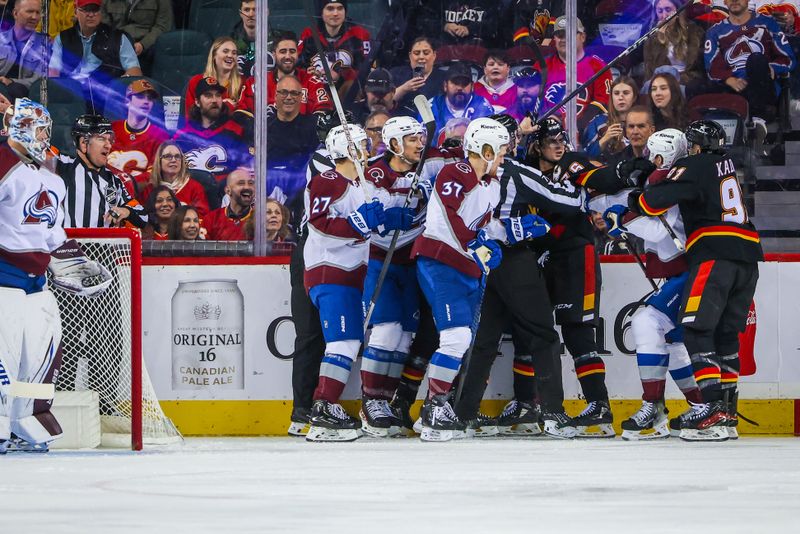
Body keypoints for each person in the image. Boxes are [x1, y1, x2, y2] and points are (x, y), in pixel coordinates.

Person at [452, 114, 589, 439]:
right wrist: (580, 180)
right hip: (512, 262)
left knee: (483, 340)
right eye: (502, 146)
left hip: (478, 262)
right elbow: (567, 201)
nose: (505, 151)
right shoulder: (513, 172)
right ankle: (553, 413)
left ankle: (463, 414)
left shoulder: (454, 172)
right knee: (543, 335)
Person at [633, 120, 763, 441]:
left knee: (695, 329)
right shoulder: (728, 165)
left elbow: (650, 203)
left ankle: (712, 408)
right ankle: (728, 412)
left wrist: (644, 183)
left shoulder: (694, 163)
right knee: (726, 335)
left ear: (693, 146)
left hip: (714, 252)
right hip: (748, 256)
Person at [0, 98, 111, 453]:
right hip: (4, 279)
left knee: (42, 355)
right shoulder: (3, 164)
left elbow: (53, 236)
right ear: (23, 127)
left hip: (37, 283)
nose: (46, 136)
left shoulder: (51, 180)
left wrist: (74, 262)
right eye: (41, 128)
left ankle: (26, 424)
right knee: (5, 357)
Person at [591, 129, 704, 440]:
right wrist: (607, 206)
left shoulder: (674, 183)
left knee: (645, 322)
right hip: (683, 271)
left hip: (689, 271)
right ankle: (700, 406)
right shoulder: (678, 178)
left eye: (653, 156)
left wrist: (622, 219)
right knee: (672, 341)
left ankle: (652, 407)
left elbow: (664, 232)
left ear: (660, 156)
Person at [409, 117, 510, 442]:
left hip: (466, 268)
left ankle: (432, 410)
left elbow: (486, 224)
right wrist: (476, 244)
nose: (507, 154)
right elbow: (451, 217)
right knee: (455, 338)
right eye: (503, 148)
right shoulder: (458, 171)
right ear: (486, 149)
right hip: (441, 261)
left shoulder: (492, 183)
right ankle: (435, 406)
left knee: (462, 338)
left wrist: (509, 234)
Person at [525, 117, 617, 438]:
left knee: (578, 332)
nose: (559, 144)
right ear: (536, 144)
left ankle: (599, 405)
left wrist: (623, 172)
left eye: (561, 139)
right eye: (552, 141)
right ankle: (528, 402)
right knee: (533, 330)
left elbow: (601, 178)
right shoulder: (528, 169)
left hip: (577, 257)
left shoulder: (572, 163)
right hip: (543, 260)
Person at [303, 123, 390, 442]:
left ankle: (326, 406)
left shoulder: (357, 185)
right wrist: (359, 221)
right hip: (330, 271)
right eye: (363, 145)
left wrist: (388, 220)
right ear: (346, 149)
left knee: (350, 342)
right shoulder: (329, 179)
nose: (368, 149)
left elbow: (365, 228)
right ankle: (323, 409)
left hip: (350, 275)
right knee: (343, 343)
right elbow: (320, 224)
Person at [358, 116, 424, 437]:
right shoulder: (374, 173)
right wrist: (387, 219)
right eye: (412, 139)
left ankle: (386, 398)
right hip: (378, 261)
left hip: (410, 263)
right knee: (385, 331)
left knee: (404, 337)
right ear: (395, 144)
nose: (419, 144)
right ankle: (370, 402)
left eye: (420, 138)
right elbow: (371, 220)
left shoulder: (424, 172)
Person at [705, 0, 796, 122]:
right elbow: (712, 67)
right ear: (725, 2)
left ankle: (759, 119)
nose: (735, 1)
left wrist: (772, 67)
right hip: (734, 87)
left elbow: (788, 59)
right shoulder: (714, 31)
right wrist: (728, 79)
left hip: (764, 85)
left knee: (756, 60)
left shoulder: (767, 23)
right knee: (693, 86)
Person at [57, 114, 147, 229]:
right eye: (101, 139)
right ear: (83, 143)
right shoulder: (62, 165)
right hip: (69, 245)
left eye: (109, 140)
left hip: (103, 246)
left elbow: (143, 215)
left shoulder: (114, 180)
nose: (108, 145)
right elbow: (37, 150)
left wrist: (125, 211)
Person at [173, 76, 252, 182]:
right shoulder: (183, 135)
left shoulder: (236, 131)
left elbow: (246, 171)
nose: (214, 100)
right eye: (208, 96)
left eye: (218, 95)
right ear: (197, 102)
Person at [48, 0, 142, 87]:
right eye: (86, 10)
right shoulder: (63, 37)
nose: (91, 14)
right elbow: (53, 71)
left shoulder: (118, 37)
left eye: (95, 10)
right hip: (72, 93)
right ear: (75, 12)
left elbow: (135, 70)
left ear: (101, 12)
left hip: (105, 92)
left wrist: (117, 87)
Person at [541, 16, 611, 129]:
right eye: (560, 35)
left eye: (569, 34)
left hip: (587, 133)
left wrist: (579, 127)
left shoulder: (597, 66)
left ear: (582, 37)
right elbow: (532, 101)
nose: (564, 39)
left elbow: (603, 102)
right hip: (549, 133)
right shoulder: (542, 66)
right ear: (554, 39)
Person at [107, 79, 170, 188]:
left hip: (140, 194)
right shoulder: (111, 129)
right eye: (140, 97)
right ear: (127, 101)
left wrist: (128, 183)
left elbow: (155, 174)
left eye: (150, 99)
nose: (146, 101)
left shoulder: (160, 136)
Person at [298, 1, 371, 93]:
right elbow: (297, 68)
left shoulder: (359, 35)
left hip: (350, 97)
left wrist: (341, 74)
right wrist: (308, 74)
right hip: (316, 95)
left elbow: (367, 69)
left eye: (340, 8)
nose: (336, 13)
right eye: (330, 8)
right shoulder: (308, 35)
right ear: (321, 12)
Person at [250, 32, 330, 115]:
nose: (288, 56)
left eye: (292, 51)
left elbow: (323, 110)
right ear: (274, 55)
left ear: (297, 54)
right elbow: (243, 113)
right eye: (283, 51)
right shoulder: (257, 83)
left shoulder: (311, 82)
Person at [644, 0, 706, 99]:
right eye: (660, 11)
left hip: (688, 80)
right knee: (647, 87)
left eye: (668, 10)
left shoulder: (694, 31)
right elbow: (652, 69)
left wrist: (676, 80)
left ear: (677, 10)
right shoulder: (652, 38)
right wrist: (659, 40)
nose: (664, 15)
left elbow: (697, 65)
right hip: (661, 79)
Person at [141, 141, 209, 217]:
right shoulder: (149, 187)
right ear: (159, 160)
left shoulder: (195, 188)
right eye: (168, 156)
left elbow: (202, 218)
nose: (173, 160)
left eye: (177, 156)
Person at [428, 61, 494, 138]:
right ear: (445, 85)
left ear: (472, 86)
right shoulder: (432, 106)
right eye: (455, 83)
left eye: (464, 83)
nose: (459, 88)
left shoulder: (483, 106)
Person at [184, 37, 244, 120]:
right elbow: (191, 118)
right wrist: (225, 106)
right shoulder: (196, 82)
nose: (230, 55)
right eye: (225, 51)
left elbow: (242, 118)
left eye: (234, 53)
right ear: (214, 55)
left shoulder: (243, 83)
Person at [101, 0, 173, 66]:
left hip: (149, 48)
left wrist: (143, 44)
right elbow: (104, 27)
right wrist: (114, 44)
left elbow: (162, 27)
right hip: (116, 48)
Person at [0, 0, 49, 96]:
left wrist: (11, 81)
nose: (34, 17)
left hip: (24, 96)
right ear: (15, 13)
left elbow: (40, 81)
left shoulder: (45, 45)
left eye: (38, 12)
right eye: (30, 11)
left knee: (16, 89)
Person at [584, 76, 639, 159]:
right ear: (611, 97)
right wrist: (605, 138)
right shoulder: (598, 121)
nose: (621, 97)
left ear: (634, 97)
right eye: (616, 93)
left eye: (626, 93)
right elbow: (587, 155)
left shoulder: (643, 121)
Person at [390, 37, 447, 116]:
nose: (421, 57)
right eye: (416, 53)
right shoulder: (396, 74)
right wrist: (404, 89)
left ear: (434, 55)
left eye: (426, 53)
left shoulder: (444, 77)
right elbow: (385, 101)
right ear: (410, 56)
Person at [201, 167, 254, 241]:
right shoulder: (211, 219)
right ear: (228, 191)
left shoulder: (260, 220)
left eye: (251, 183)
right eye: (241, 183)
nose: (247, 187)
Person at [474, 50, 517, 114]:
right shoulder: (475, 88)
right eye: (491, 64)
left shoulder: (517, 90)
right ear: (485, 70)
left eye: (500, 64)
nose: (495, 67)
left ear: (508, 69)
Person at [231, 0, 256, 76]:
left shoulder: (278, 41)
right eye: (247, 10)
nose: (251, 14)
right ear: (240, 13)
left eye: (256, 10)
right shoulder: (230, 42)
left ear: (266, 12)